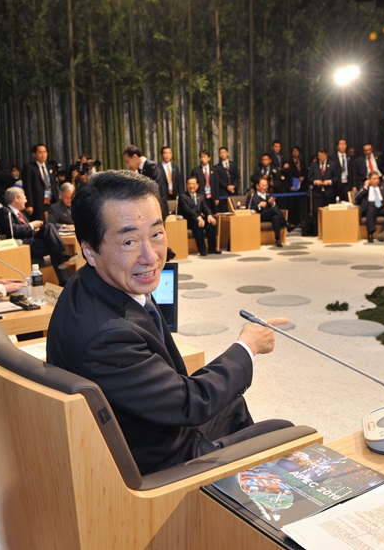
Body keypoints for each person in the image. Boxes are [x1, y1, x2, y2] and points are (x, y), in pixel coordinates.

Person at [46, 169, 292, 475]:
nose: (150, 256)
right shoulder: (106, 337)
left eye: (156, 234)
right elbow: (190, 404)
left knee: (231, 404)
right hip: (161, 465)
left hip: (148, 428)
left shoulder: (86, 283)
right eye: (128, 242)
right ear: (90, 250)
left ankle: (236, 491)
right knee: (286, 433)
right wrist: (247, 347)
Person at [0, 187, 79, 286]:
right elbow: (13, 230)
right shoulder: (4, 212)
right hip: (22, 245)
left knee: (49, 229)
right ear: (16, 198)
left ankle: (65, 280)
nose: (26, 200)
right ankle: (64, 269)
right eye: (24, 197)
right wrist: (31, 225)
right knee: (52, 242)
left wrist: (35, 229)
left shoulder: (21, 213)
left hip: (31, 240)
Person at [122, 145, 170, 218]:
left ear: (135, 157)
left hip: (158, 209)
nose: (128, 165)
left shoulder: (151, 166)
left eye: (127, 162)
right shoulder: (140, 169)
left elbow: (155, 189)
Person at [178, 176, 220, 256]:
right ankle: (202, 250)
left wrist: (209, 215)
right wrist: (198, 217)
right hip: (188, 220)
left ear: (197, 185)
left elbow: (205, 207)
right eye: (189, 184)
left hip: (199, 218)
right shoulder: (183, 197)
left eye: (193, 184)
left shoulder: (200, 196)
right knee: (198, 223)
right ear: (186, 185)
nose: (191, 186)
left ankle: (212, 249)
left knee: (211, 222)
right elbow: (188, 211)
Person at [354, 171, 384, 243]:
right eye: (374, 179)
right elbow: (356, 199)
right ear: (369, 180)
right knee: (370, 211)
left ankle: (383, 233)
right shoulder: (365, 187)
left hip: (382, 206)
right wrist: (365, 187)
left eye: (378, 178)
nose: (377, 180)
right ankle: (370, 233)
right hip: (370, 206)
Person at [248, 177, 290, 248]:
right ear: (257, 186)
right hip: (258, 216)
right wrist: (259, 206)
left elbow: (275, 208)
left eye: (266, 186)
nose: (265, 188)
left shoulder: (268, 195)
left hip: (269, 216)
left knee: (275, 217)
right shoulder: (252, 196)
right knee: (273, 210)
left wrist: (273, 203)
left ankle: (278, 240)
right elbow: (249, 209)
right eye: (263, 186)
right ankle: (286, 224)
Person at [22, 143, 59, 221]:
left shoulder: (50, 167)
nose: (43, 155)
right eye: (40, 152)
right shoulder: (29, 167)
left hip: (50, 199)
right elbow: (27, 186)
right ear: (34, 154)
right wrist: (29, 204)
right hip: (37, 201)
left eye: (45, 152)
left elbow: (54, 185)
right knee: (40, 222)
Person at [308, 146, 336, 235]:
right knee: (317, 213)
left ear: (326, 155)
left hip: (329, 193)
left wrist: (330, 182)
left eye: (323, 155)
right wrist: (315, 181)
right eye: (319, 156)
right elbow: (309, 178)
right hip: (317, 193)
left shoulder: (332, 164)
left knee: (329, 213)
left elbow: (336, 177)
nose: (321, 157)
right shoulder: (314, 165)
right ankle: (317, 232)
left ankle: (329, 232)